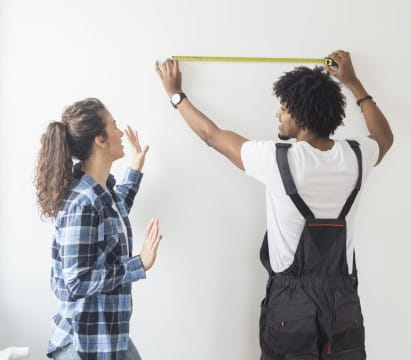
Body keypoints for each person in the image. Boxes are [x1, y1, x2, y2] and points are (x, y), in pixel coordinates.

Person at [155, 50, 393, 359]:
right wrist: (354, 83)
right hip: (343, 303)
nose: (277, 114)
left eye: (283, 108)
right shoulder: (357, 156)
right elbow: (384, 136)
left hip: (292, 304)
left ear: (302, 115)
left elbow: (211, 136)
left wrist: (175, 95)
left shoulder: (278, 158)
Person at [35, 98, 162, 360]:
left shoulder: (101, 192)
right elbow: (77, 281)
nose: (120, 132)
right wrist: (139, 264)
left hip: (109, 339)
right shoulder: (82, 202)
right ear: (99, 140)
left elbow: (115, 212)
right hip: (83, 345)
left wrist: (135, 167)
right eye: (113, 126)